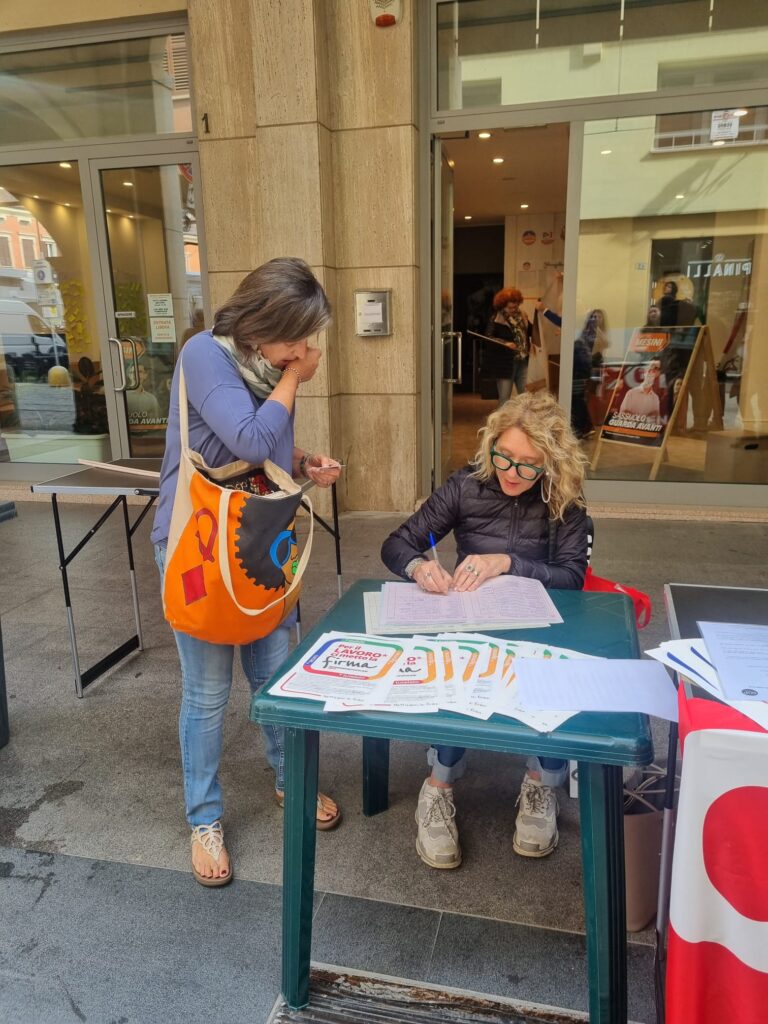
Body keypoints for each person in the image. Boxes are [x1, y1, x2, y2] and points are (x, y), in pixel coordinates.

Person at [150, 258, 343, 887]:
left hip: (257, 536)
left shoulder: (259, 363)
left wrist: (306, 460)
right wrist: (295, 380)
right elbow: (251, 440)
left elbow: (262, 449)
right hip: (200, 546)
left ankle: (291, 780)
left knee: (275, 674)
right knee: (207, 695)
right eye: (297, 339)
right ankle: (203, 818)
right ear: (263, 325)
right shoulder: (206, 353)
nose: (305, 351)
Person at [381, 391, 589, 869]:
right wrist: (416, 567)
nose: (511, 473)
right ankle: (438, 783)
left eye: (528, 465)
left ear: (551, 465)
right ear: (491, 443)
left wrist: (508, 562)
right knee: (461, 667)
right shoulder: (466, 486)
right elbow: (399, 542)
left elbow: (573, 578)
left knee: (547, 678)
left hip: (543, 626)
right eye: (503, 456)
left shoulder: (564, 499)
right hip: (474, 622)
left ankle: (542, 784)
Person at [484, 287, 532, 405]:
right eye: (510, 307)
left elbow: (532, 331)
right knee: (504, 399)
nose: (514, 310)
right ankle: (500, 423)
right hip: (505, 364)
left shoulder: (523, 317)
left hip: (523, 361)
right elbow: (488, 338)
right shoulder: (496, 319)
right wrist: (505, 344)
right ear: (502, 306)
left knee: (526, 398)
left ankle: (525, 423)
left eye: (516, 306)